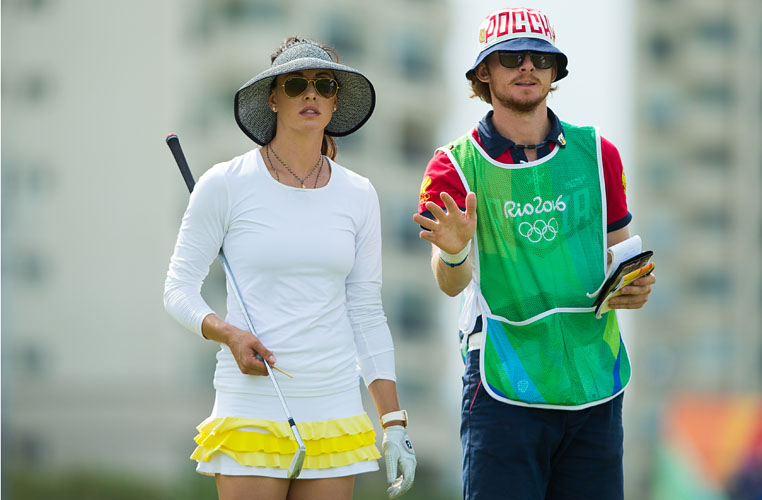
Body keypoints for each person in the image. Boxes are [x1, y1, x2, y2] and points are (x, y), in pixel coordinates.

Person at [413, 8, 656, 500]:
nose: (527, 66)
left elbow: (620, 251)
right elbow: (448, 282)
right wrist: (456, 252)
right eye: (511, 57)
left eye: (540, 57)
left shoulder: (599, 152)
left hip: (593, 381)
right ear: (484, 72)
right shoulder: (452, 166)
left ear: (555, 70)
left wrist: (635, 284)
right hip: (504, 384)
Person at [165, 37, 416, 500]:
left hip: (335, 409)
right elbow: (177, 288)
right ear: (273, 98)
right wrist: (228, 334)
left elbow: (365, 312)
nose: (311, 95)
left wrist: (394, 423)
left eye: (323, 85)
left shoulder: (359, 194)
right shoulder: (225, 183)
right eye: (296, 84)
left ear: (335, 101)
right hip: (251, 406)